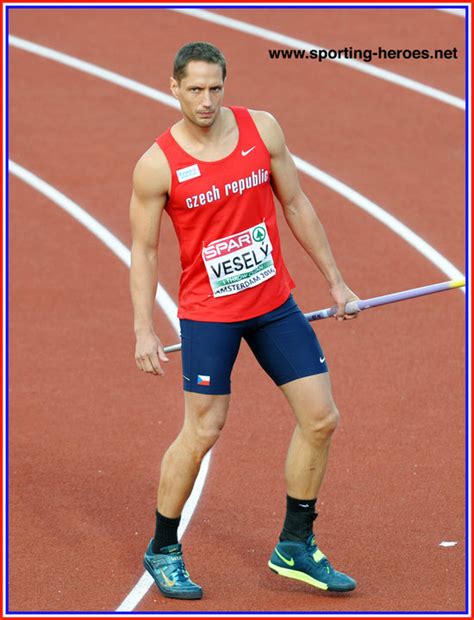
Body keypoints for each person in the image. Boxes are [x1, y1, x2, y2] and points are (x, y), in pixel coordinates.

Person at [129, 41, 359, 601]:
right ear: (174, 87)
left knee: (322, 418)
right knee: (204, 430)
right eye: (195, 89)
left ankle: (295, 546)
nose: (206, 100)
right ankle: (163, 548)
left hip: (274, 305)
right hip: (210, 315)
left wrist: (335, 280)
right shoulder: (157, 164)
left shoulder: (263, 130)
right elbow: (143, 250)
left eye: (215, 89)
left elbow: (297, 203)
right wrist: (144, 328)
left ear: (224, 86)